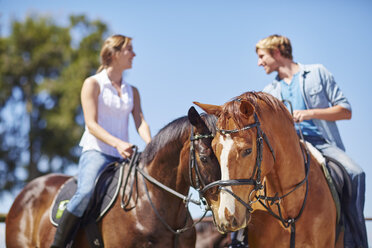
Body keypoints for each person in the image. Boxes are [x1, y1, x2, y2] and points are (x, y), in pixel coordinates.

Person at [255, 34, 367, 248]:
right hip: (289, 149)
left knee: (355, 173)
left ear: (277, 53)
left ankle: (356, 241)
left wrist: (308, 113)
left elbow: (345, 111)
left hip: (322, 143)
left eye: (262, 57)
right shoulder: (269, 93)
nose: (260, 63)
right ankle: (240, 239)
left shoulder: (317, 73)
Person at [51, 34, 152, 248]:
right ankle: (58, 245)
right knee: (85, 192)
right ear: (114, 54)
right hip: (96, 152)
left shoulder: (132, 91)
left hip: (123, 156)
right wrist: (117, 143)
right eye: (129, 49)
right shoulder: (92, 84)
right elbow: (91, 124)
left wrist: (151, 144)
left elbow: (140, 121)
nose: (134, 54)